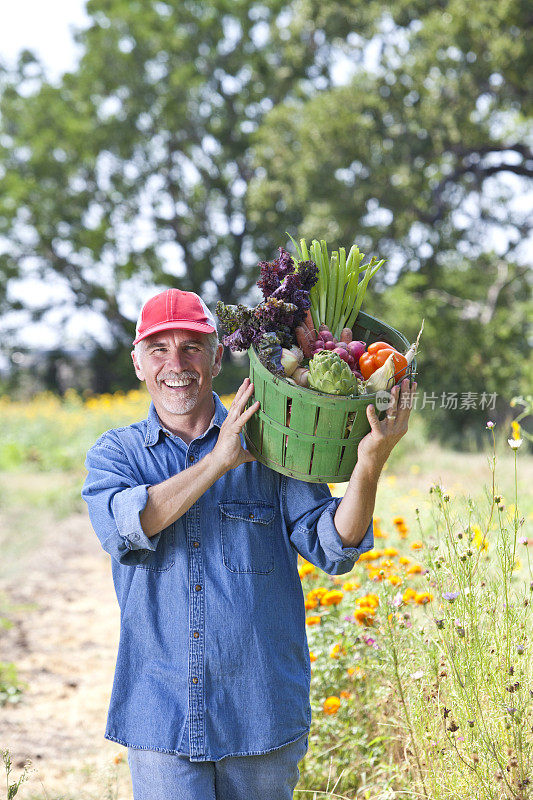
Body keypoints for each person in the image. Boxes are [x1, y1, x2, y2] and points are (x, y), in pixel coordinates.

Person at [82, 288, 417, 800]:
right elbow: (127, 527)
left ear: (217, 357)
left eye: (191, 346)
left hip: (261, 713)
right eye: (159, 349)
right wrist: (218, 462)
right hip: (161, 715)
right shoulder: (117, 454)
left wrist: (369, 464)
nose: (176, 363)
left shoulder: (274, 439)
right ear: (138, 363)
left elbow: (335, 547)